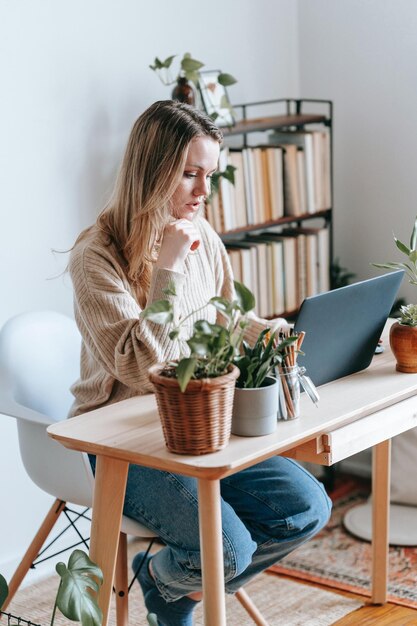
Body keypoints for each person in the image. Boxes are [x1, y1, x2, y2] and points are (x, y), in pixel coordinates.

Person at [68, 100, 332, 626]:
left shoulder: (202, 235)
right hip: (122, 443)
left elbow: (228, 319)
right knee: (227, 550)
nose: (203, 192)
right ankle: (179, 583)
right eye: (190, 174)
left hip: (201, 425)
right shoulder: (95, 257)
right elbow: (144, 368)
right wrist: (167, 269)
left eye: (209, 175)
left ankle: (167, 581)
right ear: (152, 170)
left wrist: (273, 333)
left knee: (307, 508)